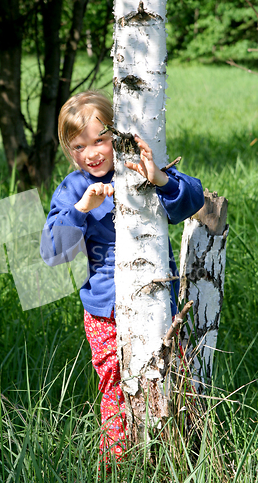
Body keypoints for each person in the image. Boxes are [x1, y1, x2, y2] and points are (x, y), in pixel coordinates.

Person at [41, 90, 204, 463]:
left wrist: (160, 179)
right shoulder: (73, 189)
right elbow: (52, 252)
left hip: (156, 299)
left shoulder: (138, 168)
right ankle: (116, 463)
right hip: (103, 309)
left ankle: (175, 456)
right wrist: (83, 209)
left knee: (168, 374)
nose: (93, 152)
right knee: (114, 383)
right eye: (80, 146)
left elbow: (193, 199)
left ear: (118, 135)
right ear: (69, 149)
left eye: (101, 140)